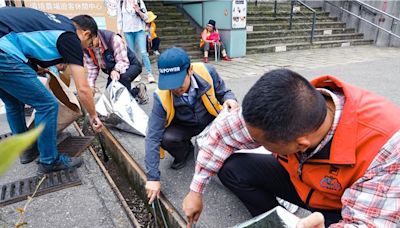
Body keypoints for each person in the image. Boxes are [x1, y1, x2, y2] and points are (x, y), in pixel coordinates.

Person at [182, 69, 400, 227]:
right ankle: (277, 223)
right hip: (302, 182)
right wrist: (195, 190)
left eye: (265, 145)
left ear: (300, 145)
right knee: (233, 168)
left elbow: (370, 223)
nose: (256, 143)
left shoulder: (387, 146)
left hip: (344, 207)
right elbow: (222, 134)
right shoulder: (282, 107)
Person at [0, 8, 103, 175]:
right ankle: (49, 161)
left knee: (13, 102)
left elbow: (31, 44)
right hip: (3, 52)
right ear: (86, 33)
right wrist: (93, 115)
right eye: (90, 44)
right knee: (47, 105)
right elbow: (83, 89)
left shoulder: (59, 22)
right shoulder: (71, 38)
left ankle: (25, 149)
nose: (87, 48)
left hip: (5, 44)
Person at [145, 47, 238, 204]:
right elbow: (152, 136)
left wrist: (230, 100)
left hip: (210, 120)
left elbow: (224, 92)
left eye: (178, 83)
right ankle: (186, 151)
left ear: (190, 70)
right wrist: (152, 178)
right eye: (170, 84)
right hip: (184, 126)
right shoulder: (161, 97)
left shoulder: (207, 72)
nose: (175, 89)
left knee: (225, 159)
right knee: (166, 138)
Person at [81, 23, 148, 104]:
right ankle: (137, 91)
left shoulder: (113, 39)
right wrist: (91, 86)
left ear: (95, 35)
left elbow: (122, 61)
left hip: (130, 65)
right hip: (113, 70)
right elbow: (93, 68)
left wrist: (116, 70)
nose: (89, 47)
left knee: (123, 79)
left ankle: (127, 106)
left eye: (91, 44)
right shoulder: (86, 46)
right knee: (109, 95)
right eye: (88, 46)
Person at [117, 0, 156, 83]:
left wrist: (138, 10)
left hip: (139, 30)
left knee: (143, 52)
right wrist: (120, 33)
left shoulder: (139, 2)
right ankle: (136, 74)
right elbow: (119, 19)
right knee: (132, 53)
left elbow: (146, 18)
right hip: (127, 31)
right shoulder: (121, 3)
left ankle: (150, 74)